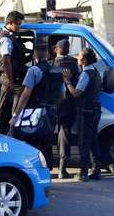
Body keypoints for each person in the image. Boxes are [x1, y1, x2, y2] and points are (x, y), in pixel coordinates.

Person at [9, 49, 64, 170]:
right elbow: (62, 96)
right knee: (47, 141)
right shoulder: (58, 72)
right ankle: (47, 169)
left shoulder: (33, 70)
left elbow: (26, 95)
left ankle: (34, 170)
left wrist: (15, 115)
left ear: (35, 57)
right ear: (48, 56)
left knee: (33, 141)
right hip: (51, 112)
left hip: (35, 112)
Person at [63, 48, 102, 182]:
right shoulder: (95, 72)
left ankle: (84, 173)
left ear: (84, 60)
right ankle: (96, 171)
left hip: (86, 112)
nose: (77, 58)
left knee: (84, 142)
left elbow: (76, 93)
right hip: (95, 110)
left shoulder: (86, 74)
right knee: (94, 141)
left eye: (79, 56)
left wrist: (67, 81)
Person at [0, 10, 28, 134]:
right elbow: (6, 61)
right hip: (8, 78)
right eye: (18, 24)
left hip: (9, 77)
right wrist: (12, 81)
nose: (19, 27)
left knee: (7, 105)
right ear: (11, 23)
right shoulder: (5, 40)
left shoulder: (9, 37)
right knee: (3, 105)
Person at [51, 38, 80, 179]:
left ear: (56, 49)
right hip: (68, 106)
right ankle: (62, 168)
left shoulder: (52, 64)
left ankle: (48, 167)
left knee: (49, 135)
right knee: (64, 135)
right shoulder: (74, 65)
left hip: (52, 105)